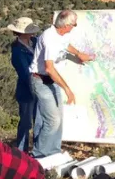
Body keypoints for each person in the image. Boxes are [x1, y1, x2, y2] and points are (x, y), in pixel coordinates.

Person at [30, 10, 96, 158]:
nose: (74, 27)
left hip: (51, 81)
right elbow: (49, 68)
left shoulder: (61, 34)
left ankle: (53, 152)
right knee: (52, 120)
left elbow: (67, 45)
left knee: (59, 119)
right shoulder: (49, 38)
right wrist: (67, 89)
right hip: (41, 80)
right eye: (73, 24)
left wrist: (79, 54)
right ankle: (38, 155)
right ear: (66, 25)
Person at [8, 17, 41, 151]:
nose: (32, 33)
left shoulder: (35, 41)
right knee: (26, 122)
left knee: (39, 121)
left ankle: (38, 149)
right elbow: (24, 72)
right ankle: (22, 151)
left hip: (39, 85)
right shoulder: (17, 51)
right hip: (27, 89)